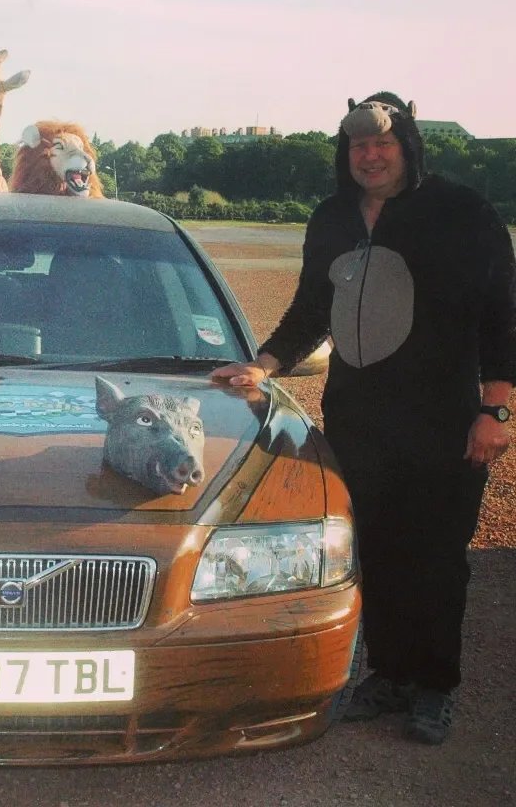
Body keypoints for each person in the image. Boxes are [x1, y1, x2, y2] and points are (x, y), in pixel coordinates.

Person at [210, 92, 516, 746]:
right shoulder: (332, 217)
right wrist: (262, 365)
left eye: (382, 143)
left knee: (435, 556)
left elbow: (501, 313)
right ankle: (388, 675)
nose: (370, 156)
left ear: (408, 146)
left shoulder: (462, 212)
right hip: (360, 420)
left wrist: (495, 408)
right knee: (374, 548)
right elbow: (310, 309)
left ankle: (433, 685)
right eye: (358, 145)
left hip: (443, 418)